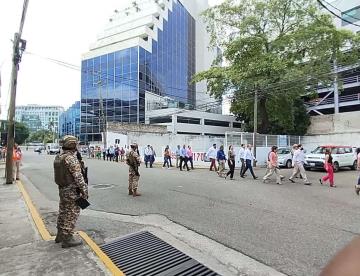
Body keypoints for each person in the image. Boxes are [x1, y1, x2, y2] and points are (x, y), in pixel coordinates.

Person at [53, 135, 88, 248]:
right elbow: (78, 177)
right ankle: (67, 238)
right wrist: (84, 191)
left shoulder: (60, 157)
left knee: (63, 211)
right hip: (72, 190)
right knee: (72, 213)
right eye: (76, 144)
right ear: (72, 145)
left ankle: (60, 234)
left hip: (63, 189)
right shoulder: (71, 159)